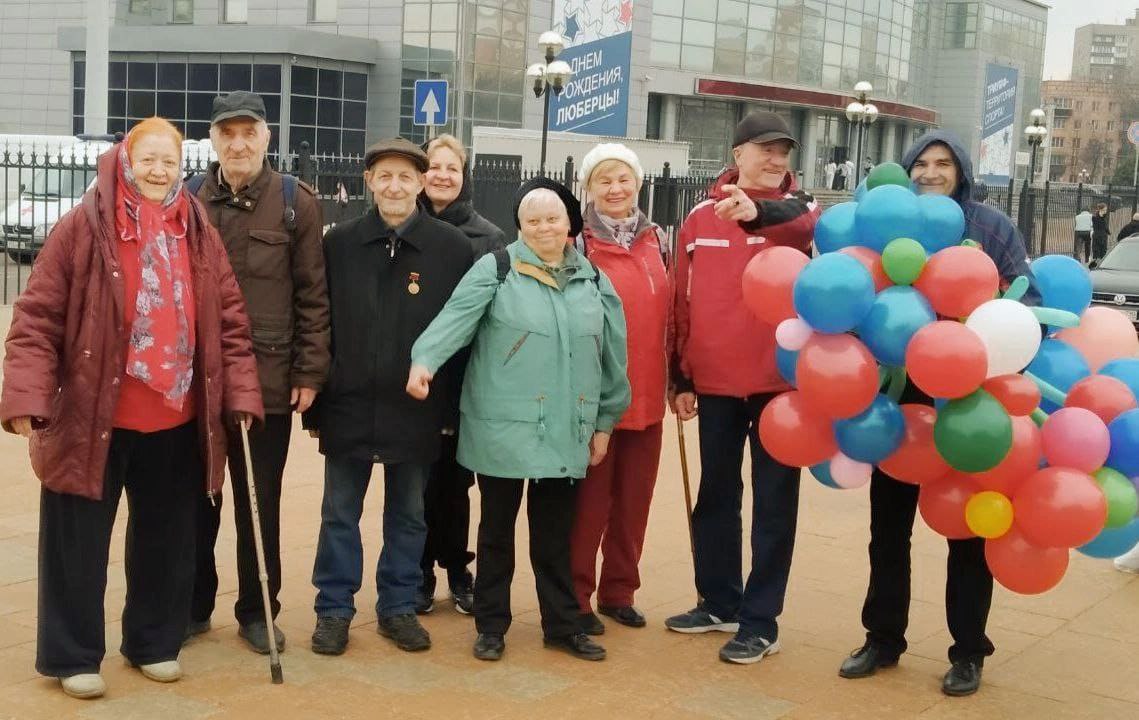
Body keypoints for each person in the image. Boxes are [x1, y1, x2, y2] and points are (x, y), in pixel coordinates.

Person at [0, 117, 263, 699]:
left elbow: (230, 323)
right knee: (76, 542)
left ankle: (153, 642)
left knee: (167, 541)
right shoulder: (83, 226)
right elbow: (37, 317)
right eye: (148, 159)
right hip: (93, 413)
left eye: (169, 161)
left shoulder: (197, 229)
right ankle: (72, 656)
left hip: (176, 416)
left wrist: (242, 394)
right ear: (125, 161)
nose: (158, 171)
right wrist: (27, 395)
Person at [838, 129, 1038, 698]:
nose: (930, 172)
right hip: (899, 398)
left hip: (969, 399)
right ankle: (882, 638)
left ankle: (969, 650)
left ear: (961, 171)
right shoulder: (887, 228)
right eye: (921, 163)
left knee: (968, 530)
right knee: (888, 529)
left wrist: (984, 327)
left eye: (943, 163)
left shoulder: (991, 227)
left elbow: (1027, 303)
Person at [407, 177, 631, 663]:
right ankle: (491, 625)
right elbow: (454, 319)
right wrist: (425, 360)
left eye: (553, 219)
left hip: (566, 427)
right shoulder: (497, 268)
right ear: (520, 226)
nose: (544, 228)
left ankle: (562, 625)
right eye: (533, 221)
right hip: (501, 425)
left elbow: (613, 357)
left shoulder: (594, 280)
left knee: (555, 536)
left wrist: (604, 423)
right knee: (496, 534)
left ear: (569, 223)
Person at [303, 138, 474, 656]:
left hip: (417, 407)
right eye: (385, 176)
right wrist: (320, 400)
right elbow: (320, 322)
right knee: (339, 513)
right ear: (369, 182)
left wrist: (450, 408)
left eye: (405, 177)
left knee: (409, 514)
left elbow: (463, 331)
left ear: (420, 183)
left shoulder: (451, 248)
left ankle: (398, 606)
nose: (395, 186)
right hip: (349, 402)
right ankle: (334, 609)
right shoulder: (339, 244)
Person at [664, 110, 819, 665]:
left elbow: (801, 226)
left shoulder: (804, 210)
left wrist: (757, 212)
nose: (776, 159)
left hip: (782, 387)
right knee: (716, 496)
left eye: (783, 151)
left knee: (774, 504)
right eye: (765, 149)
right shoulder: (699, 218)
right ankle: (719, 602)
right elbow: (681, 298)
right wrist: (679, 375)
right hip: (716, 383)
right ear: (738, 155)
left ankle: (760, 621)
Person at [187, 90, 330, 655]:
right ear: (214, 140)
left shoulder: (295, 202)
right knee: (196, 499)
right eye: (228, 134)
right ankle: (192, 604)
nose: (239, 144)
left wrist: (309, 372)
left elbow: (313, 295)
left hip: (268, 379)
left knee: (258, 501)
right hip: (196, 382)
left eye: (249, 133)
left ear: (267, 137)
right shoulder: (189, 198)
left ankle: (256, 610)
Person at [569, 143, 671, 635]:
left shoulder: (657, 241)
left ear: (638, 184)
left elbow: (673, 314)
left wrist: (680, 379)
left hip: (648, 393)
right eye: (604, 181)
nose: (615, 189)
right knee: (589, 504)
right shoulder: (578, 244)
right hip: (596, 400)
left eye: (624, 179)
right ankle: (576, 597)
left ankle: (619, 591)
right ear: (589, 188)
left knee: (634, 502)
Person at [415, 134, 507, 616]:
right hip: (415, 372)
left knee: (456, 482)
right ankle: (418, 571)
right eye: (434, 166)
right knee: (416, 482)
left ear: (463, 175)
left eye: (452, 168)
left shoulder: (487, 236)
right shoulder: (403, 224)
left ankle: (456, 568)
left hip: (463, 375)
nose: (442, 176)